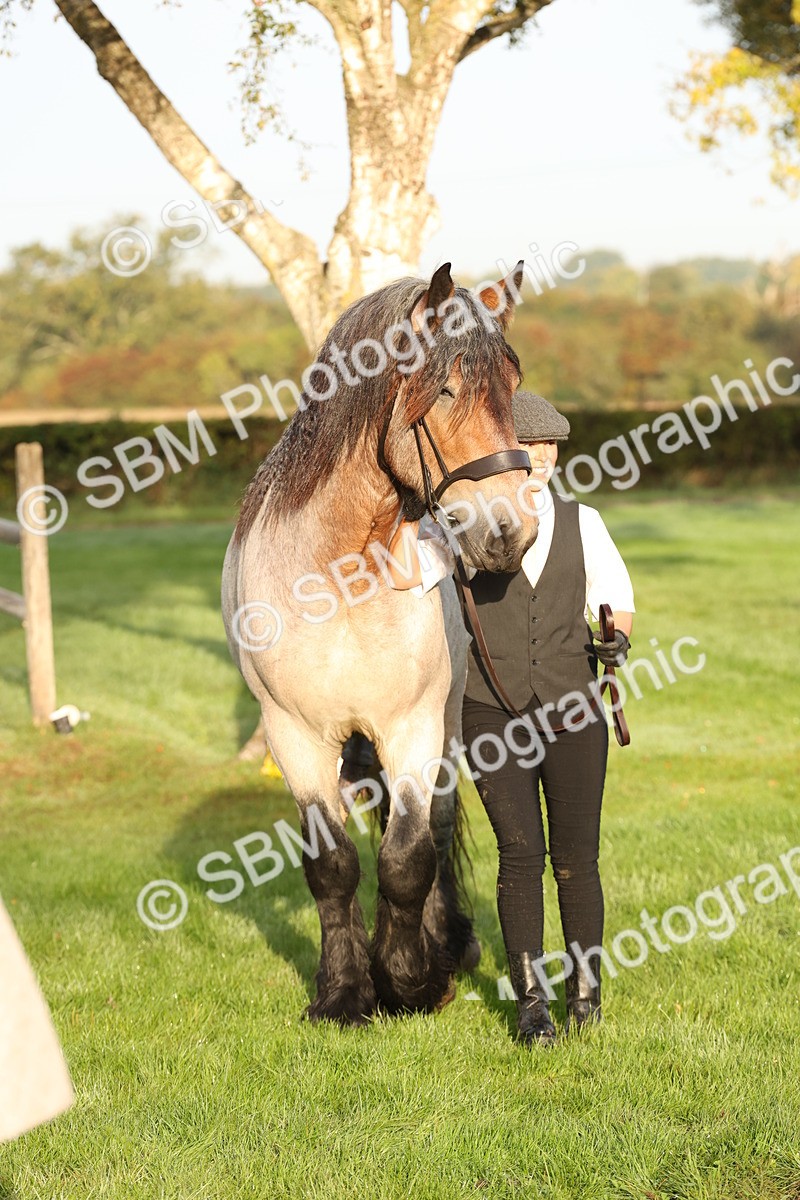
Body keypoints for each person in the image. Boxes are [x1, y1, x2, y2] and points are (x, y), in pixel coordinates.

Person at [385, 391, 634, 1047]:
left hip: (575, 708)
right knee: (521, 855)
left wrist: (617, 638)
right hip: (491, 711)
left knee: (578, 858)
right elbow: (406, 571)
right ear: (503, 451)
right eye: (531, 444)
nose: (543, 455)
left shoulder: (586, 523)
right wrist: (410, 507)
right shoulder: (461, 526)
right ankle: (532, 1005)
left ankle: (585, 994)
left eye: (552, 444)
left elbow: (616, 598)